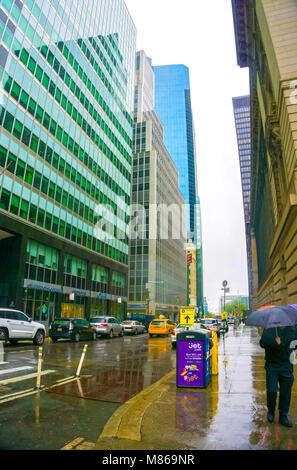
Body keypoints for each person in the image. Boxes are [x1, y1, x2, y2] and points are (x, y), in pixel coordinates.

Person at [260, 326, 297, 427]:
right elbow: (262, 343)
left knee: (286, 393)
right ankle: (271, 411)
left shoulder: (293, 329)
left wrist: (288, 346)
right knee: (272, 390)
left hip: (287, 365)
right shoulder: (269, 328)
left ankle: (283, 416)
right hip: (272, 365)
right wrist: (274, 342)